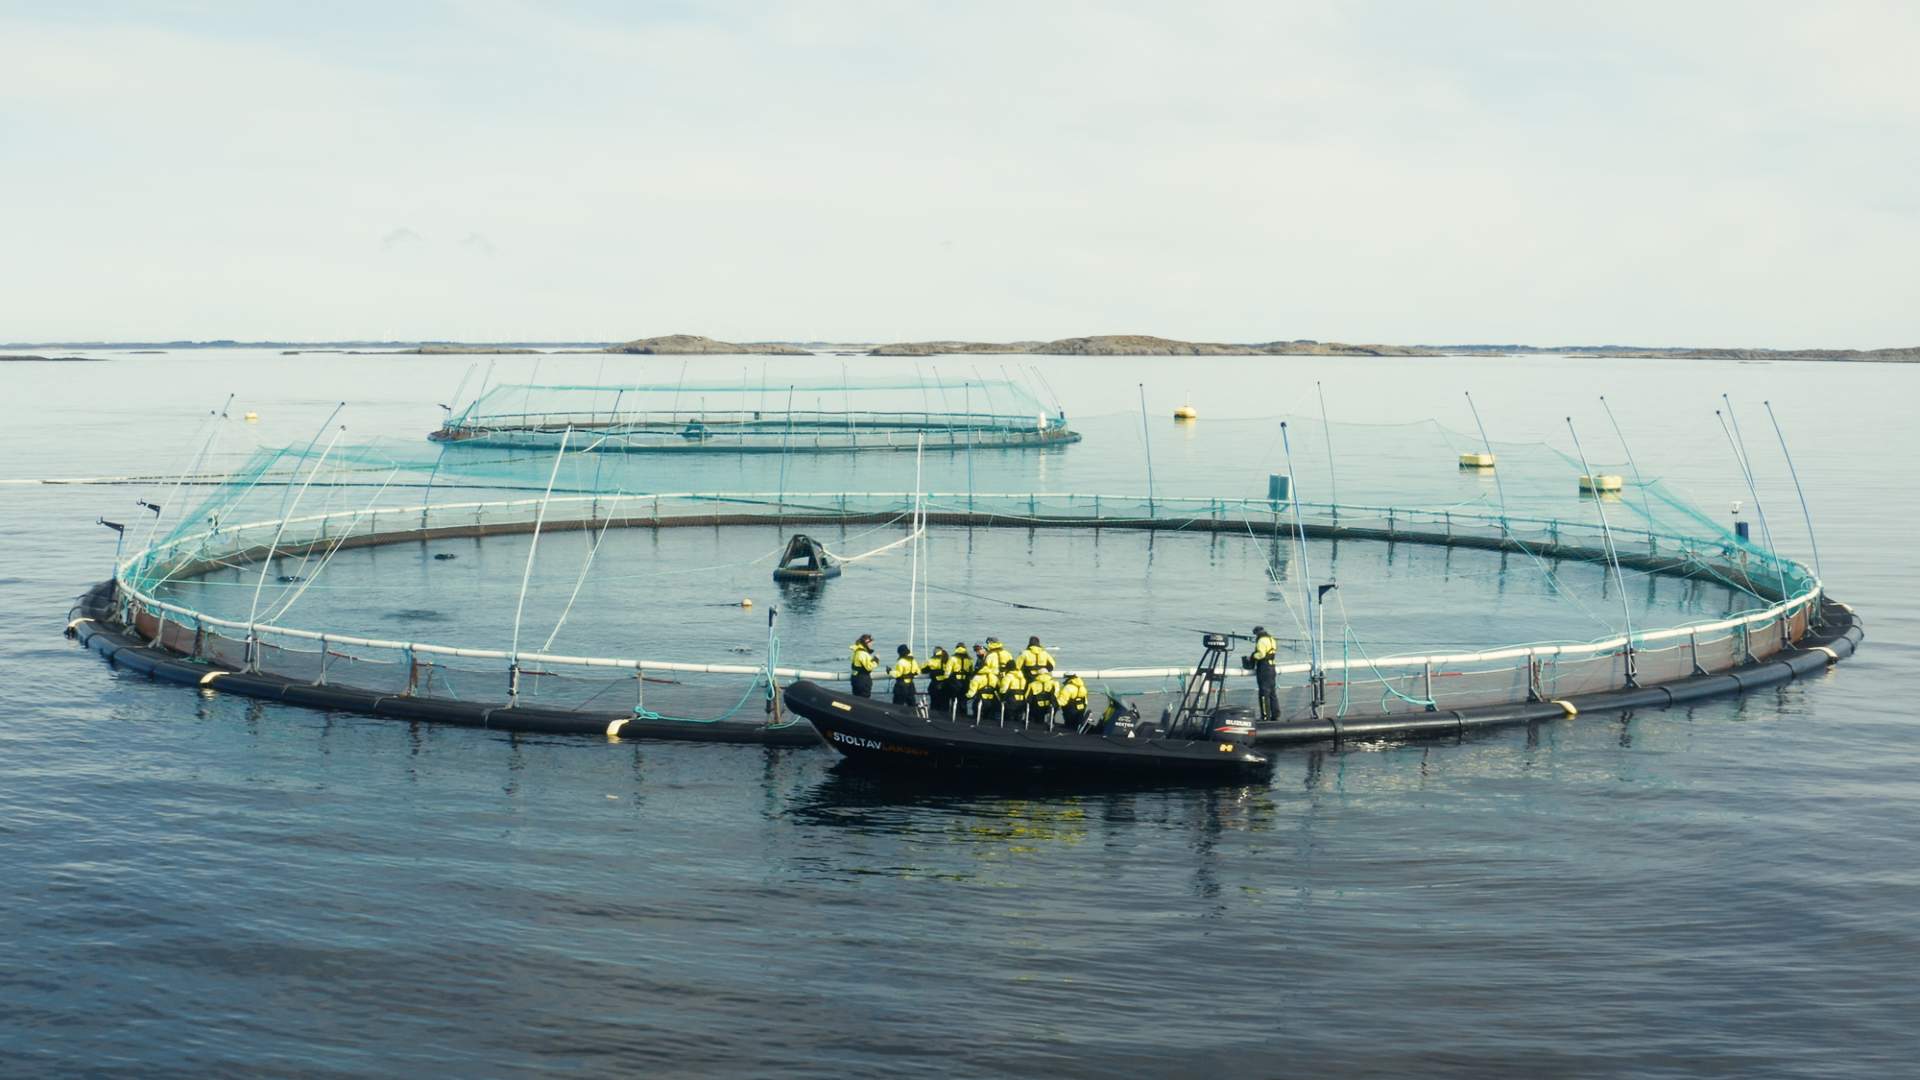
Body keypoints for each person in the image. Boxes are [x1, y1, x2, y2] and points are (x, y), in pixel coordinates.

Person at [1250, 625, 1279, 721]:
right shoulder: (1272, 639)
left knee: (1263, 693)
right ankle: (1275, 715)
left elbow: (1261, 654)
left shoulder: (1261, 641)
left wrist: (1253, 656)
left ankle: (1265, 716)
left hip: (1264, 668)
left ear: (1257, 633)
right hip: (1272, 667)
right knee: (1272, 693)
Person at [849, 633, 877, 698]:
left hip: (855, 678)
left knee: (856, 698)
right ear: (866, 643)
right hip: (863, 680)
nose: (871, 644)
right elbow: (869, 667)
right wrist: (876, 660)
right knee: (864, 699)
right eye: (870, 642)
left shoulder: (857, 652)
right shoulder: (863, 653)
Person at [924, 646, 950, 714]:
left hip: (935, 684)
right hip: (946, 685)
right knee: (945, 705)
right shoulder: (949, 660)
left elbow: (923, 669)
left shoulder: (931, 660)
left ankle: (934, 718)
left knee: (934, 704)